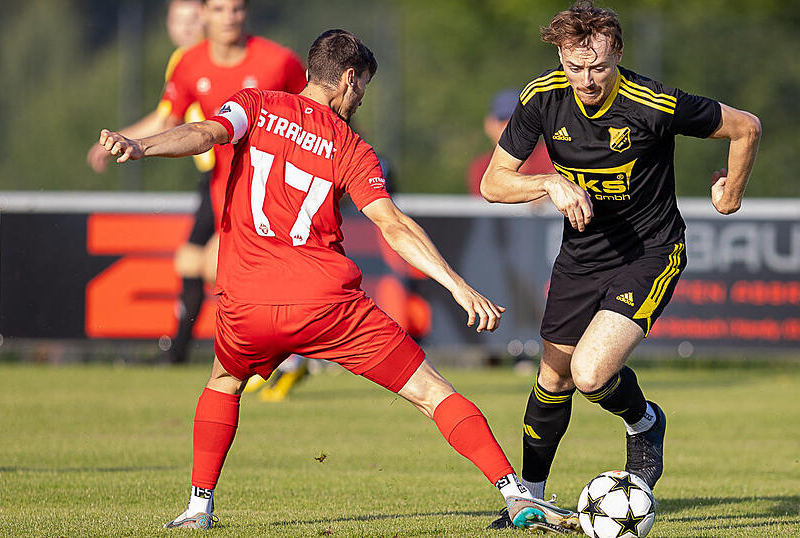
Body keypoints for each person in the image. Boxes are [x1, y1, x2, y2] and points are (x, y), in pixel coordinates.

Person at [98, 29, 581, 533]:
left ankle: (199, 507)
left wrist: (140, 145)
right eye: (363, 88)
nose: (361, 99)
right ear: (349, 79)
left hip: (248, 303)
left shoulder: (254, 105)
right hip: (326, 305)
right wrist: (456, 283)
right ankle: (515, 494)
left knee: (223, 382)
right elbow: (392, 224)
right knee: (432, 392)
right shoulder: (352, 147)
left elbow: (204, 135)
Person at [480, 0, 761, 529]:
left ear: (619, 56)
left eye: (598, 67)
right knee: (553, 378)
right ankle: (531, 501)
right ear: (560, 57)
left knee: (590, 373)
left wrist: (731, 196)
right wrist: (547, 181)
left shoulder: (651, 102)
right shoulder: (542, 98)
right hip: (581, 256)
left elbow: (746, 127)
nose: (586, 79)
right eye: (575, 66)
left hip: (649, 252)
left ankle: (644, 422)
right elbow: (492, 182)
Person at [87, 0, 307, 366]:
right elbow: (168, 120)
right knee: (198, 264)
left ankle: (284, 357)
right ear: (204, 14)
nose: (228, 18)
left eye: (236, 9)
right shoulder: (190, 64)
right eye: (219, 9)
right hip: (224, 187)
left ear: (246, 13)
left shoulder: (278, 61)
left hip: (273, 193)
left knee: (219, 268)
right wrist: (122, 141)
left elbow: (318, 116)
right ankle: (278, 358)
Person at [467, 89, 555, 196]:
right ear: (489, 125)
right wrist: (539, 189)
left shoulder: (554, 154)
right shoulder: (481, 168)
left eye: (517, 122)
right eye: (502, 121)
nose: (509, 129)